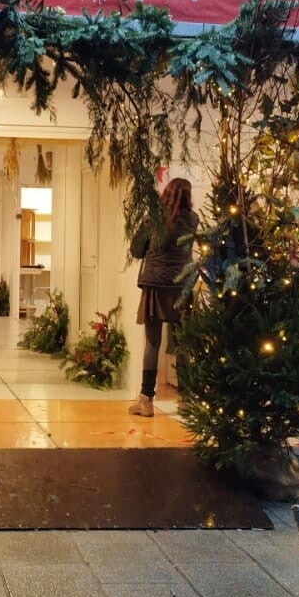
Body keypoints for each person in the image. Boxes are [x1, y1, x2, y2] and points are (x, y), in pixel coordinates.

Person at [127, 177, 198, 418]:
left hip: (155, 285)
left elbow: (136, 250)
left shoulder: (153, 219)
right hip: (181, 285)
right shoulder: (193, 220)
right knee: (182, 342)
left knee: (153, 343)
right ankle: (186, 400)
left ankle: (146, 400)